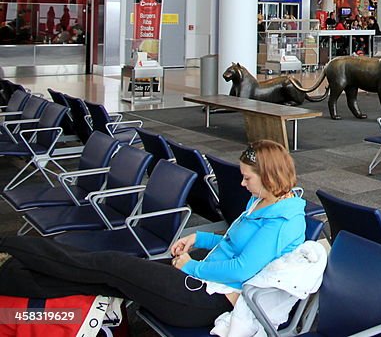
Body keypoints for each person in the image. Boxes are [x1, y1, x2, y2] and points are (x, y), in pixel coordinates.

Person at [0, 140, 306, 328]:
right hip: (204, 277)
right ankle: (13, 274)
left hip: (207, 299)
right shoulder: (262, 200)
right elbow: (234, 242)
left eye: (247, 178)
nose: (242, 184)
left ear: (268, 177)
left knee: (110, 266)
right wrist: (199, 239)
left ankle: (10, 247)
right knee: (106, 274)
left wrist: (191, 266)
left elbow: (241, 270)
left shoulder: (281, 221)